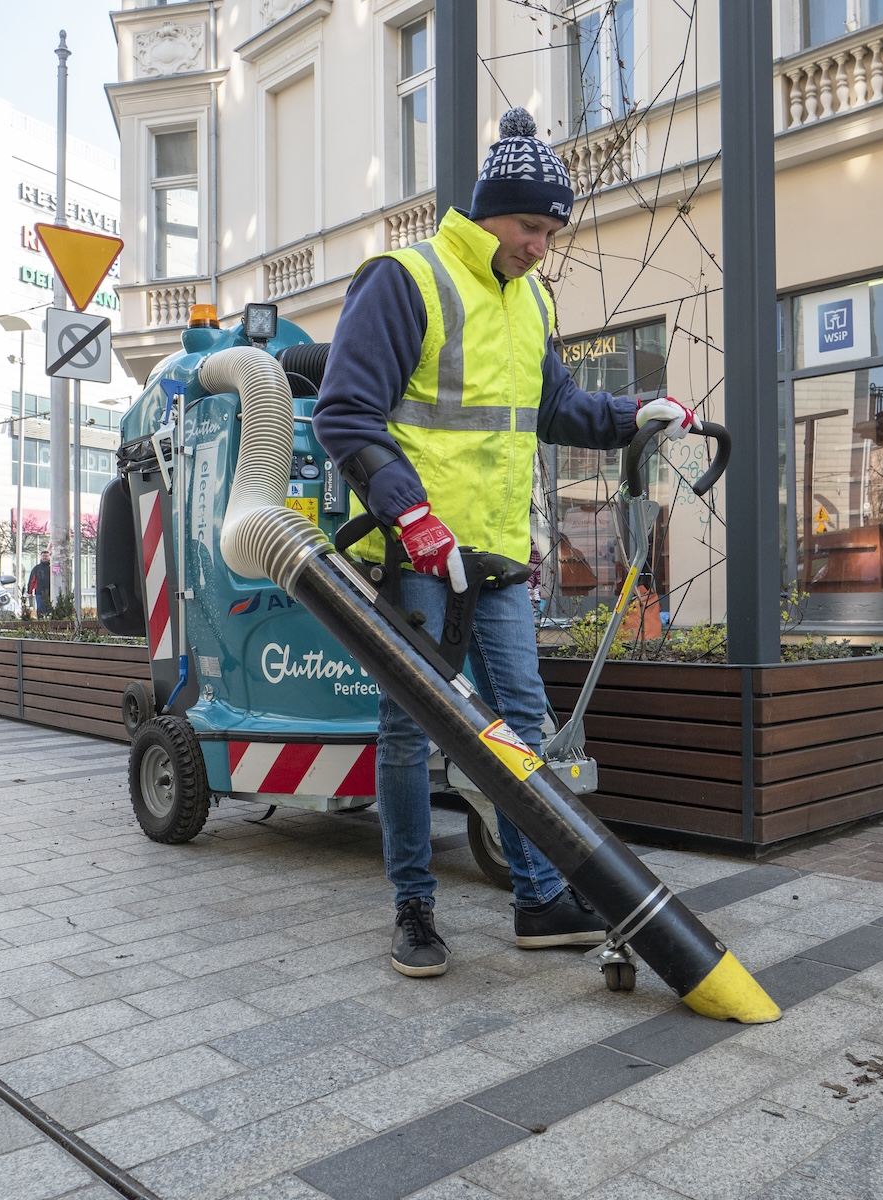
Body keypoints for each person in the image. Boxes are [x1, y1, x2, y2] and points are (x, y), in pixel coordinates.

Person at [313, 107, 700, 979]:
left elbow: (556, 408)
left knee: (520, 726)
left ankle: (536, 899)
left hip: (492, 560)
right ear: (490, 212)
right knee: (411, 732)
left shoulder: (532, 299)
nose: (541, 246)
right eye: (532, 226)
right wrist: (411, 513)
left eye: (552, 232)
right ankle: (414, 909)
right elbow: (344, 413)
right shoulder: (405, 279)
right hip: (418, 555)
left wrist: (638, 413)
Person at [26, 548, 53, 616]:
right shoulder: (37, 568)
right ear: (41, 557)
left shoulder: (52, 568)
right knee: (40, 609)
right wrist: (29, 591)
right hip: (39, 592)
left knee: (50, 609)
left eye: (46, 556)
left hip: (51, 592)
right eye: (43, 556)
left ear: (49, 557)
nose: (44, 557)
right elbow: (32, 580)